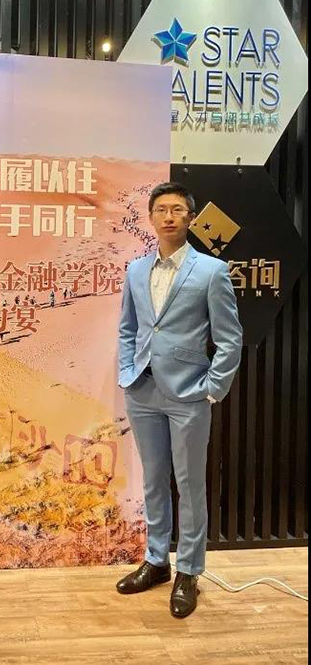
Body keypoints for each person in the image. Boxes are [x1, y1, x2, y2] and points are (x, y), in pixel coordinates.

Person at [116, 182, 242, 619]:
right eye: (161, 210)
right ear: (151, 218)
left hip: (188, 392)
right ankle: (156, 561)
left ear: (190, 217)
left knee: (189, 484)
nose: (168, 216)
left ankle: (189, 570)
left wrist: (212, 388)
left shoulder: (211, 271)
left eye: (177, 210)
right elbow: (129, 328)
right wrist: (127, 371)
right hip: (142, 390)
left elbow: (229, 339)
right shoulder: (136, 271)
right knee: (153, 479)